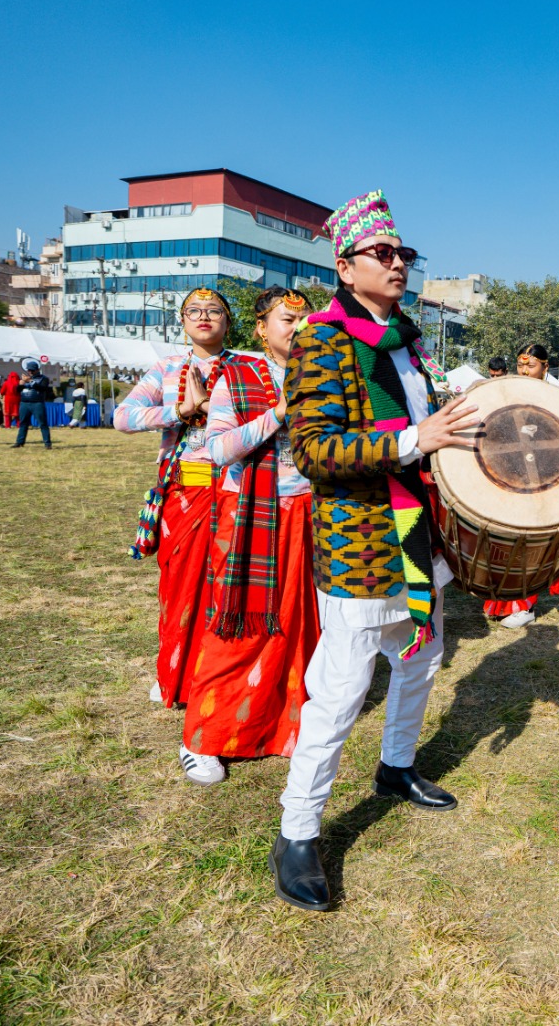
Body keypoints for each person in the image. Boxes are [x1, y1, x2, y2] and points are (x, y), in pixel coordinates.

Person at [270, 189, 478, 912]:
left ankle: (395, 767)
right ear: (345, 265)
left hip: (415, 533)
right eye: (382, 253)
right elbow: (314, 450)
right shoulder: (323, 340)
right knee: (340, 691)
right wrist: (414, 439)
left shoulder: (408, 341)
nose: (398, 264)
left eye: (403, 253)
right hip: (358, 541)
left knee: (421, 660)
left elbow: (427, 431)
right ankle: (298, 831)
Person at [178, 288, 319, 786]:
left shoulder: (321, 375)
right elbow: (217, 450)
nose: (298, 329)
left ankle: (283, 726)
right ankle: (202, 738)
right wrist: (279, 413)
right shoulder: (235, 376)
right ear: (261, 328)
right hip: (250, 515)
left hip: (308, 512)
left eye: (305, 321)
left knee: (298, 624)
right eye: (287, 320)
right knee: (238, 625)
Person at [116, 286, 233, 708]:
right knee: (179, 586)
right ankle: (174, 671)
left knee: (225, 585)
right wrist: (181, 411)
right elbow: (123, 417)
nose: (203, 316)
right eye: (193, 310)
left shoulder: (247, 368)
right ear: (182, 322)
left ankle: (215, 673)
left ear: (228, 322)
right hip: (185, 491)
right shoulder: (166, 369)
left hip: (234, 487)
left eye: (214, 310)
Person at [481, 343, 559, 629]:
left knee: (533, 546)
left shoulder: (557, 399)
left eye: (530, 365)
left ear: (545, 366)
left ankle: (525, 606)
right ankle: (502, 601)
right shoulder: (508, 392)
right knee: (505, 542)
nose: (524, 371)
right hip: (511, 476)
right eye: (520, 365)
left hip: (543, 479)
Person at [8, 360, 53, 449]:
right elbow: (17, 390)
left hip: (37, 403)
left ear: (37, 370)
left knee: (42, 423)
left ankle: (47, 443)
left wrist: (31, 381)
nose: (30, 372)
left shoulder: (43, 378)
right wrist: (20, 384)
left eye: (32, 370)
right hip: (24, 403)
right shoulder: (24, 378)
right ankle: (19, 442)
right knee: (23, 423)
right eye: (29, 370)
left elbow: (42, 388)